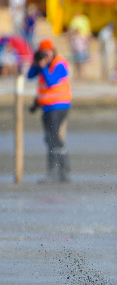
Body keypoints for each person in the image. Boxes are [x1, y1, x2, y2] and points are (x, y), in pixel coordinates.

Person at [27, 38, 72, 183]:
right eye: (43, 53)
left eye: (47, 53)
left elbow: (51, 82)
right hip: (47, 108)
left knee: (53, 138)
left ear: (52, 51)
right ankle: (56, 172)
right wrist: (36, 63)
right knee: (50, 139)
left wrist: (43, 66)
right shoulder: (43, 64)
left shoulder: (60, 63)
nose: (45, 56)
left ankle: (60, 171)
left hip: (59, 107)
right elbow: (29, 75)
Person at [67, 13, 91, 79]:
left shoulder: (81, 20)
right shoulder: (77, 20)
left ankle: (80, 74)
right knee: (77, 59)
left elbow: (75, 30)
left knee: (80, 59)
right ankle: (78, 74)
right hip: (78, 41)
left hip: (80, 41)